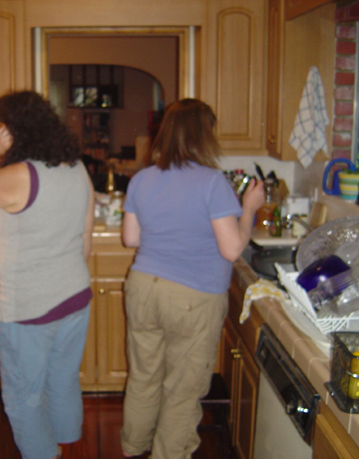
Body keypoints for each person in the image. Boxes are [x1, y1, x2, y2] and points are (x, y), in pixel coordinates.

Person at [0, 90, 95, 459]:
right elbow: (86, 239)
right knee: (62, 379)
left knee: (22, 397)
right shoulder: (76, 166)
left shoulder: (18, 176)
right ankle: (67, 443)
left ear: (12, 130)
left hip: (29, 308)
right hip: (76, 297)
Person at [120, 98, 265, 459]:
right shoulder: (212, 182)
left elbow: (131, 239)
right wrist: (248, 209)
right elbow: (232, 249)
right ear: (205, 136)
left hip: (142, 288)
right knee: (182, 388)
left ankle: (133, 446)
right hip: (193, 296)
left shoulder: (142, 178)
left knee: (143, 376)